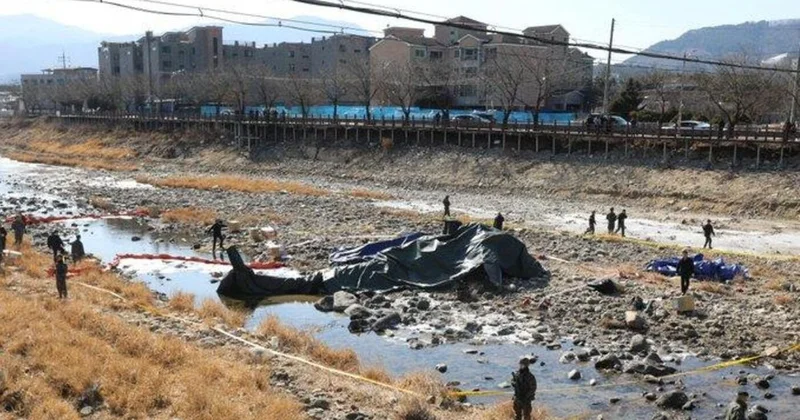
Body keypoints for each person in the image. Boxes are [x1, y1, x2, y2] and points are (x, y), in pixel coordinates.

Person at [511, 356, 537, 420]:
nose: (520, 366)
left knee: (526, 416)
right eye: (520, 364)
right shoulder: (517, 374)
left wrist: (526, 396)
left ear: (526, 365)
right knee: (517, 414)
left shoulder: (530, 376)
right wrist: (514, 383)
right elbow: (512, 381)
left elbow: (533, 388)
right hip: (517, 397)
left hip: (526, 399)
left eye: (522, 364)